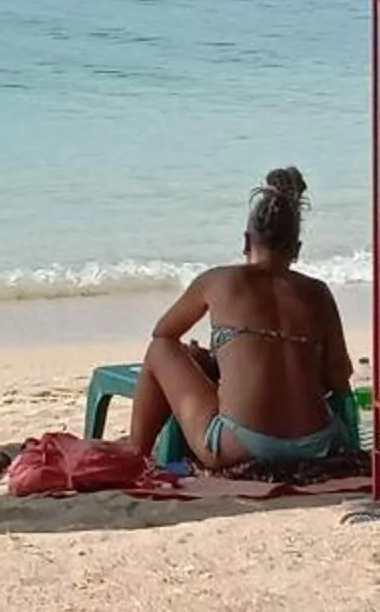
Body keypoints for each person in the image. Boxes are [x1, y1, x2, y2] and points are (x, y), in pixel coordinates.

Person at [125, 168, 356, 473]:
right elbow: (340, 375)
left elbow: (164, 333)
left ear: (247, 241)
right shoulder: (318, 292)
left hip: (245, 444)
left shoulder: (218, 281)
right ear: (297, 250)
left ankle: (135, 453)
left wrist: (202, 359)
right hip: (319, 442)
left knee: (160, 350)